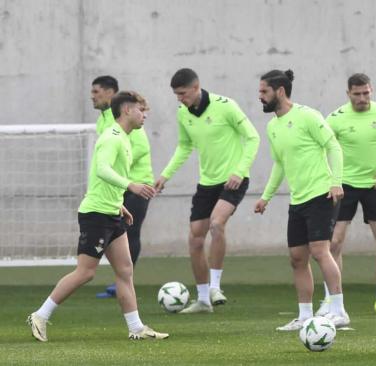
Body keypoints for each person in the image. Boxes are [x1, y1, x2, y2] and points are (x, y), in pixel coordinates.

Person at [27, 91, 168, 341]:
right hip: (96, 215)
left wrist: (119, 205)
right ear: (126, 110)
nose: (144, 115)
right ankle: (40, 315)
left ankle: (136, 328)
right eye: (141, 110)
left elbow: (103, 177)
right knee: (86, 272)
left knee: (125, 270)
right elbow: (101, 169)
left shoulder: (125, 138)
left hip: (112, 212)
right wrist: (131, 186)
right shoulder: (112, 137)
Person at [154, 68, 260, 313]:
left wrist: (240, 170)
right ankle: (203, 300)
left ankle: (215, 286)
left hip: (233, 180)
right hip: (207, 183)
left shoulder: (226, 106)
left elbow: (253, 137)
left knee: (217, 224)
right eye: (176, 95)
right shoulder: (183, 112)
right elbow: (184, 146)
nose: (179, 99)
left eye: (182, 93)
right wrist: (165, 175)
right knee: (194, 239)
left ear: (196, 87)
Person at [254, 69, 350, 331]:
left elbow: (333, 146)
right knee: (297, 258)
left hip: (321, 193)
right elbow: (279, 164)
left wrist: (336, 182)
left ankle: (339, 310)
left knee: (320, 251)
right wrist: (266, 197)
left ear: (280, 91)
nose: (259, 96)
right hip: (298, 200)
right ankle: (305, 315)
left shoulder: (308, 115)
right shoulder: (272, 126)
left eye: (264, 91)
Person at [316, 73, 376, 317]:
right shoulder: (335, 119)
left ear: (371, 90)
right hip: (344, 186)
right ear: (348, 94)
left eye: (366, 93)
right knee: (333, 243)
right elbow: (323, 150)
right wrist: (332, 180)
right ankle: (329, 300)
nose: (362, 98)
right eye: (357, 94)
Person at [91, 76, 154, 299]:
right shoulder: (104, 121)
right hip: (119, 185)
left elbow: (139, 148)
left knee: (130, 232)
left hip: (138, 183)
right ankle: (121, 280)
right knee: (116, 234)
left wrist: (130, 182)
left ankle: (125, 282)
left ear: (111, 94)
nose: (92, 96)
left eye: (97, 91)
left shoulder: (128, 119)